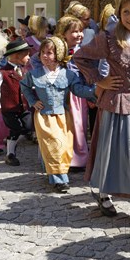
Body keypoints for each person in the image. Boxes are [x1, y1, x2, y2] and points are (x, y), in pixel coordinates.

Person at [74, 0, 130, 216]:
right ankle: (103, 192)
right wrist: (100, 81)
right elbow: (80, 58)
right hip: (115, 101)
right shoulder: (108, 38)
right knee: (111, 150)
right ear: (119, 12)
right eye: (127, 12)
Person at [20, 37, 96, 193]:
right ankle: (60, 181)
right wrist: (33, 101)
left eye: (49, 53)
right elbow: (24, 86)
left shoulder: (68, 75)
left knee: (64, 148)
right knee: (53, 145)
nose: (45, 56)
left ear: (59, 54)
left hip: (63, 117)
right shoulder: (35, 74)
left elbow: (78, 90)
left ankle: (54, 173)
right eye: (43, 53)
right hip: (44, 117)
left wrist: (94, 91)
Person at [53, 16, 91, 171]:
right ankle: (62, 156)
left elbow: (88, 73)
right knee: (62, 126)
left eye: (80, 31)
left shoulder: (82, 52)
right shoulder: (56, 51)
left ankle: (78, 158)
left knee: (78, 125)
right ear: (63, 34)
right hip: (60, 94)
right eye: (74, 31)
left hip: (77, 95)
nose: (79, 34)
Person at [0, 39, 32, 166]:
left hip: (23, 107)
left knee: (28, 126)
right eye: (26, 55)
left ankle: (11, 144)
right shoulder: (2, 72)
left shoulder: (24, 71)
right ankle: (10, 154)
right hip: (9, 108)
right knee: (16, 128)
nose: (29, 57)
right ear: (16, 56)